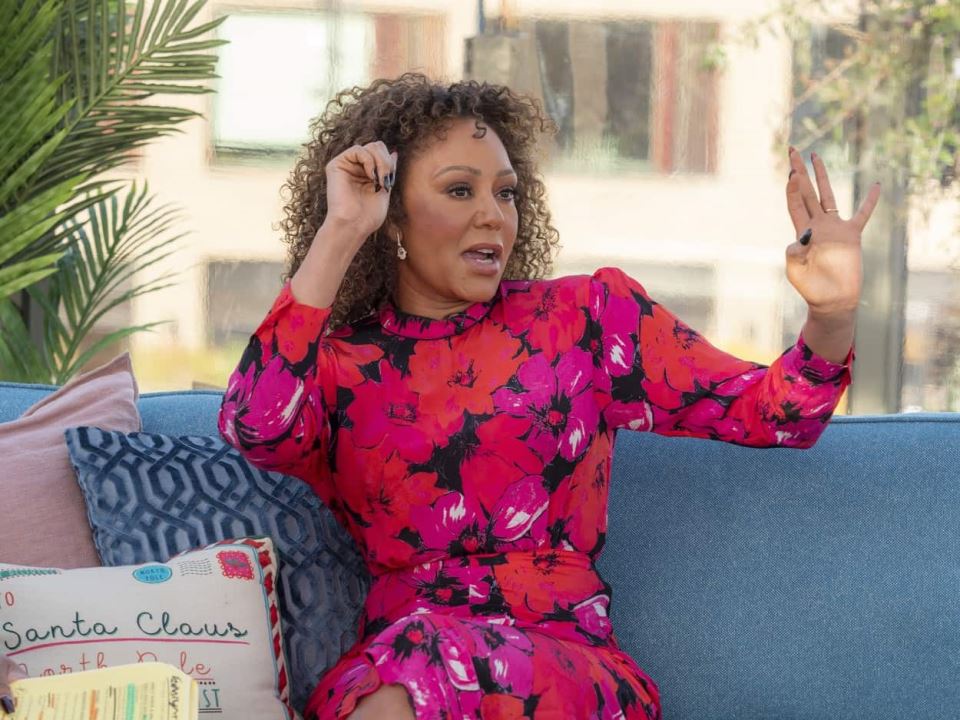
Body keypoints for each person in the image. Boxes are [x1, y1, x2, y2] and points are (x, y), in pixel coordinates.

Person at [0, 73, 880, 720]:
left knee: (429, 669)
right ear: (392, 216)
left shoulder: (587, 317)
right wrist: (340, 231)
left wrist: (832, 312)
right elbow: (254, 424)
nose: (495, 214)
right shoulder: (340, 365)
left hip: (565, 672)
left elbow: (777, 413)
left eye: (506, 192)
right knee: (408, 676)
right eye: (460, 191)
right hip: (397, 671)